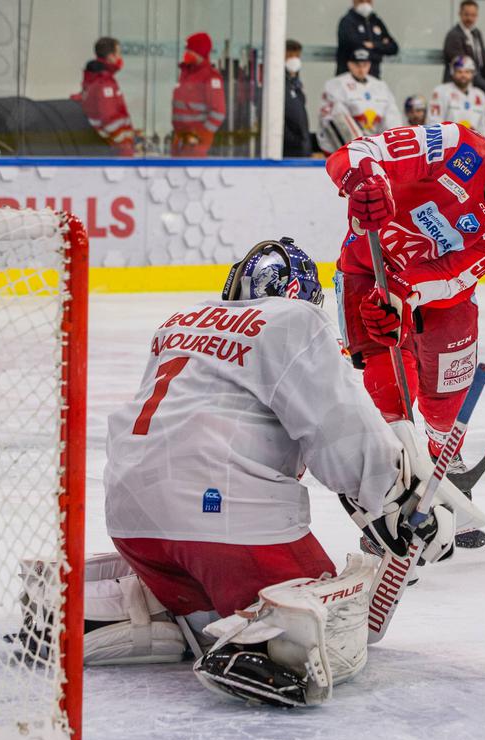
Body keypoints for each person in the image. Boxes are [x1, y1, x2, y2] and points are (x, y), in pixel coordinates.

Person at [103, 237, 462, 707]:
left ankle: (134, 616)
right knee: (332, 634)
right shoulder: (294, 320)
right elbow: (342, 432)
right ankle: (261, 645)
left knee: (207, 612)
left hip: (132, 525)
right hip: (222, 524)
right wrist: (394, 500)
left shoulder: (176, 322)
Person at [324, 115, 485, 547]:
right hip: (368, 270)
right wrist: (364, 179)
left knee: (445, 400)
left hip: (442, 299)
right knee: (389, 398)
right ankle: (393, 497)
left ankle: (446, 465)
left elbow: (456, 273)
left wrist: (405, 290)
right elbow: (358, 152)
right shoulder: (452, 144)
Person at [318, 48, 402, 154]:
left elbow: (392, 119)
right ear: (349, 64)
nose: (361, 69)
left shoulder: (381, 86)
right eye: (357, 65)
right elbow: (336, 119)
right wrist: (359, 148)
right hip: (344, 149)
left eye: (365, 65)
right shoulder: (336, 85)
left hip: (375, 148)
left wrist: (393, 147)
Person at [75, 36, 135, 157]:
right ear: (110, 57)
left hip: (104, 146)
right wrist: (124, 143)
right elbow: (109, 119)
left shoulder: (94, 79)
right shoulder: (105, 83)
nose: (120, 58)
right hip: (114, 149)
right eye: (118, 53)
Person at [171, 32, 225, 157]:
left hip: (195, 143)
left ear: (199, 51)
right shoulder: (186, 73)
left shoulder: (210, 77)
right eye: (187, 49)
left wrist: (201, 138)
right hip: (180, 140)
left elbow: (218, 113)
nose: (187, 53)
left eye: (190, 49)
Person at [442, 0, 485, 94]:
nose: (469, 18)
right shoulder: (453, 35)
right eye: (466, 14)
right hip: (461, 84)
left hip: (479, 81)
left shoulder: (476, 33)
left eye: (473, 15)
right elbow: (463, 66)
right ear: (460, 14)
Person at [335, 0, 398, 79]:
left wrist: (373, 45)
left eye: (368, 1)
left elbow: (393, 47)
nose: (365, 4)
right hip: (349, 79)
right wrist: (381, 45)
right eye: (361, 1)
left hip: (373, 77)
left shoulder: (376, 22)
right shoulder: (347, 22)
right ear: (354, 1)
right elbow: (353, 45)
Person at [428, 56, 485, 133]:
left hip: (473, 142)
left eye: (467, 72)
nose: (463, 75)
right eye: (459, 71)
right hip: (449, 142)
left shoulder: (480, 95)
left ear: (473, 74)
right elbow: (433, 122)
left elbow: (482, 126)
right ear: (452, 73)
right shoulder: (440, 91)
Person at [283, 39, 314, 157]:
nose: (294, 59)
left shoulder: (295, 84)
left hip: (301, 148)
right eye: (290, 55)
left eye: (297, 56)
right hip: (288, 149)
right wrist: (294, 140)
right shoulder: (277, 84)